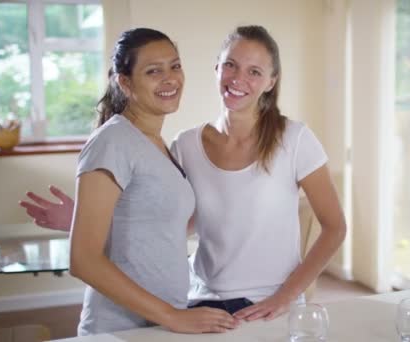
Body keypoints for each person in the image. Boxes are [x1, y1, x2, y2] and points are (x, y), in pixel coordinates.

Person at [20, 25, 346, 322]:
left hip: (268, 304)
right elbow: (168, 221)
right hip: (200, 302)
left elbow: (334, 227)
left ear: (271, 82)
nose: (238, 78)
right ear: (216, 67)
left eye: (255, 71)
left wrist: (287, 295)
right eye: (230, 65)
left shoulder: (295, 139)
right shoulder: (185, 144)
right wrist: (84, 220)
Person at [53, 27, 238, 336]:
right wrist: (173, 317)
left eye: (175, 66)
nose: (170, 79)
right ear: (124, 83)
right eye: (154, 71)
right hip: (121, 329)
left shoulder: (156, 143)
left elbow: (153, 225)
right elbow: (83, 260)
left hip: (161, 323)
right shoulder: (113, 141)